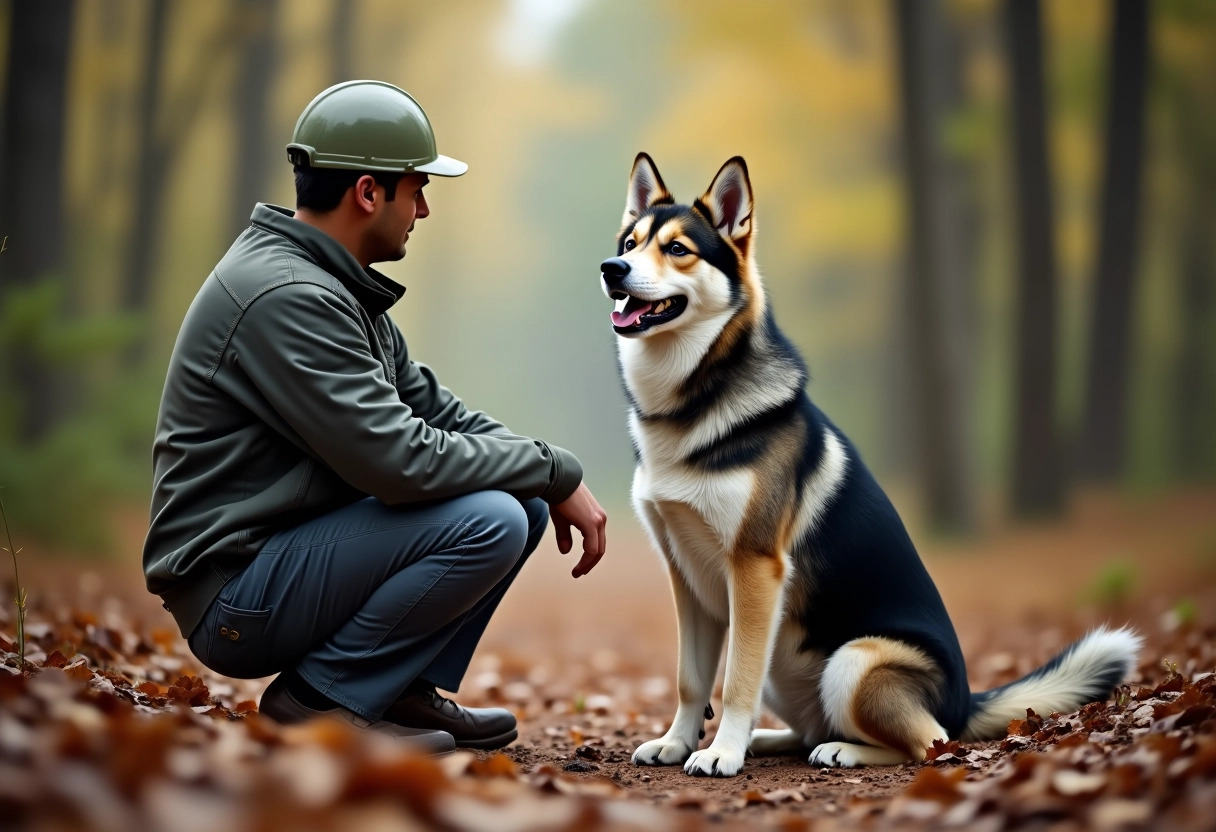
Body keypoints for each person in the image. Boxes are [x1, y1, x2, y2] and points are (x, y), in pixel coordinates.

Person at [142, 81, 608, 755]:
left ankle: (393, 691)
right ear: (368, 193)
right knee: (495, 517)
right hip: (233, 593)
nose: (423, 209)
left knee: (521, 502)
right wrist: (554, 468)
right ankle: (320, 703)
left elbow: (433, 409)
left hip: (276, 560)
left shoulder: (335, 288)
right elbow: (400, 464)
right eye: (416, 189)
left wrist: (547, 475)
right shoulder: (289, 296)